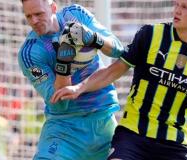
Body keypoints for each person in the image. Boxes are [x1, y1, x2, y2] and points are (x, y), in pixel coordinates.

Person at [52, 0, 187, 159]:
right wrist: (79, 88)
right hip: (132, 135)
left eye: (185, 7)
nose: (177, 10)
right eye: (177, 4)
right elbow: (114, 70)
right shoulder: (151, 34)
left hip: (174, 144)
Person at [18, 0, 124, 159]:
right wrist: (64, 62)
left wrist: (94, 38)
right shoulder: (30, 53)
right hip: (64, 130)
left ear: (53, 7)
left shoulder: (75, 15)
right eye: (28, 16)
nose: (34, 21)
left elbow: (118, 50)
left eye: (39, 14)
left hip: (103, 123)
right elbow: (60, 103)